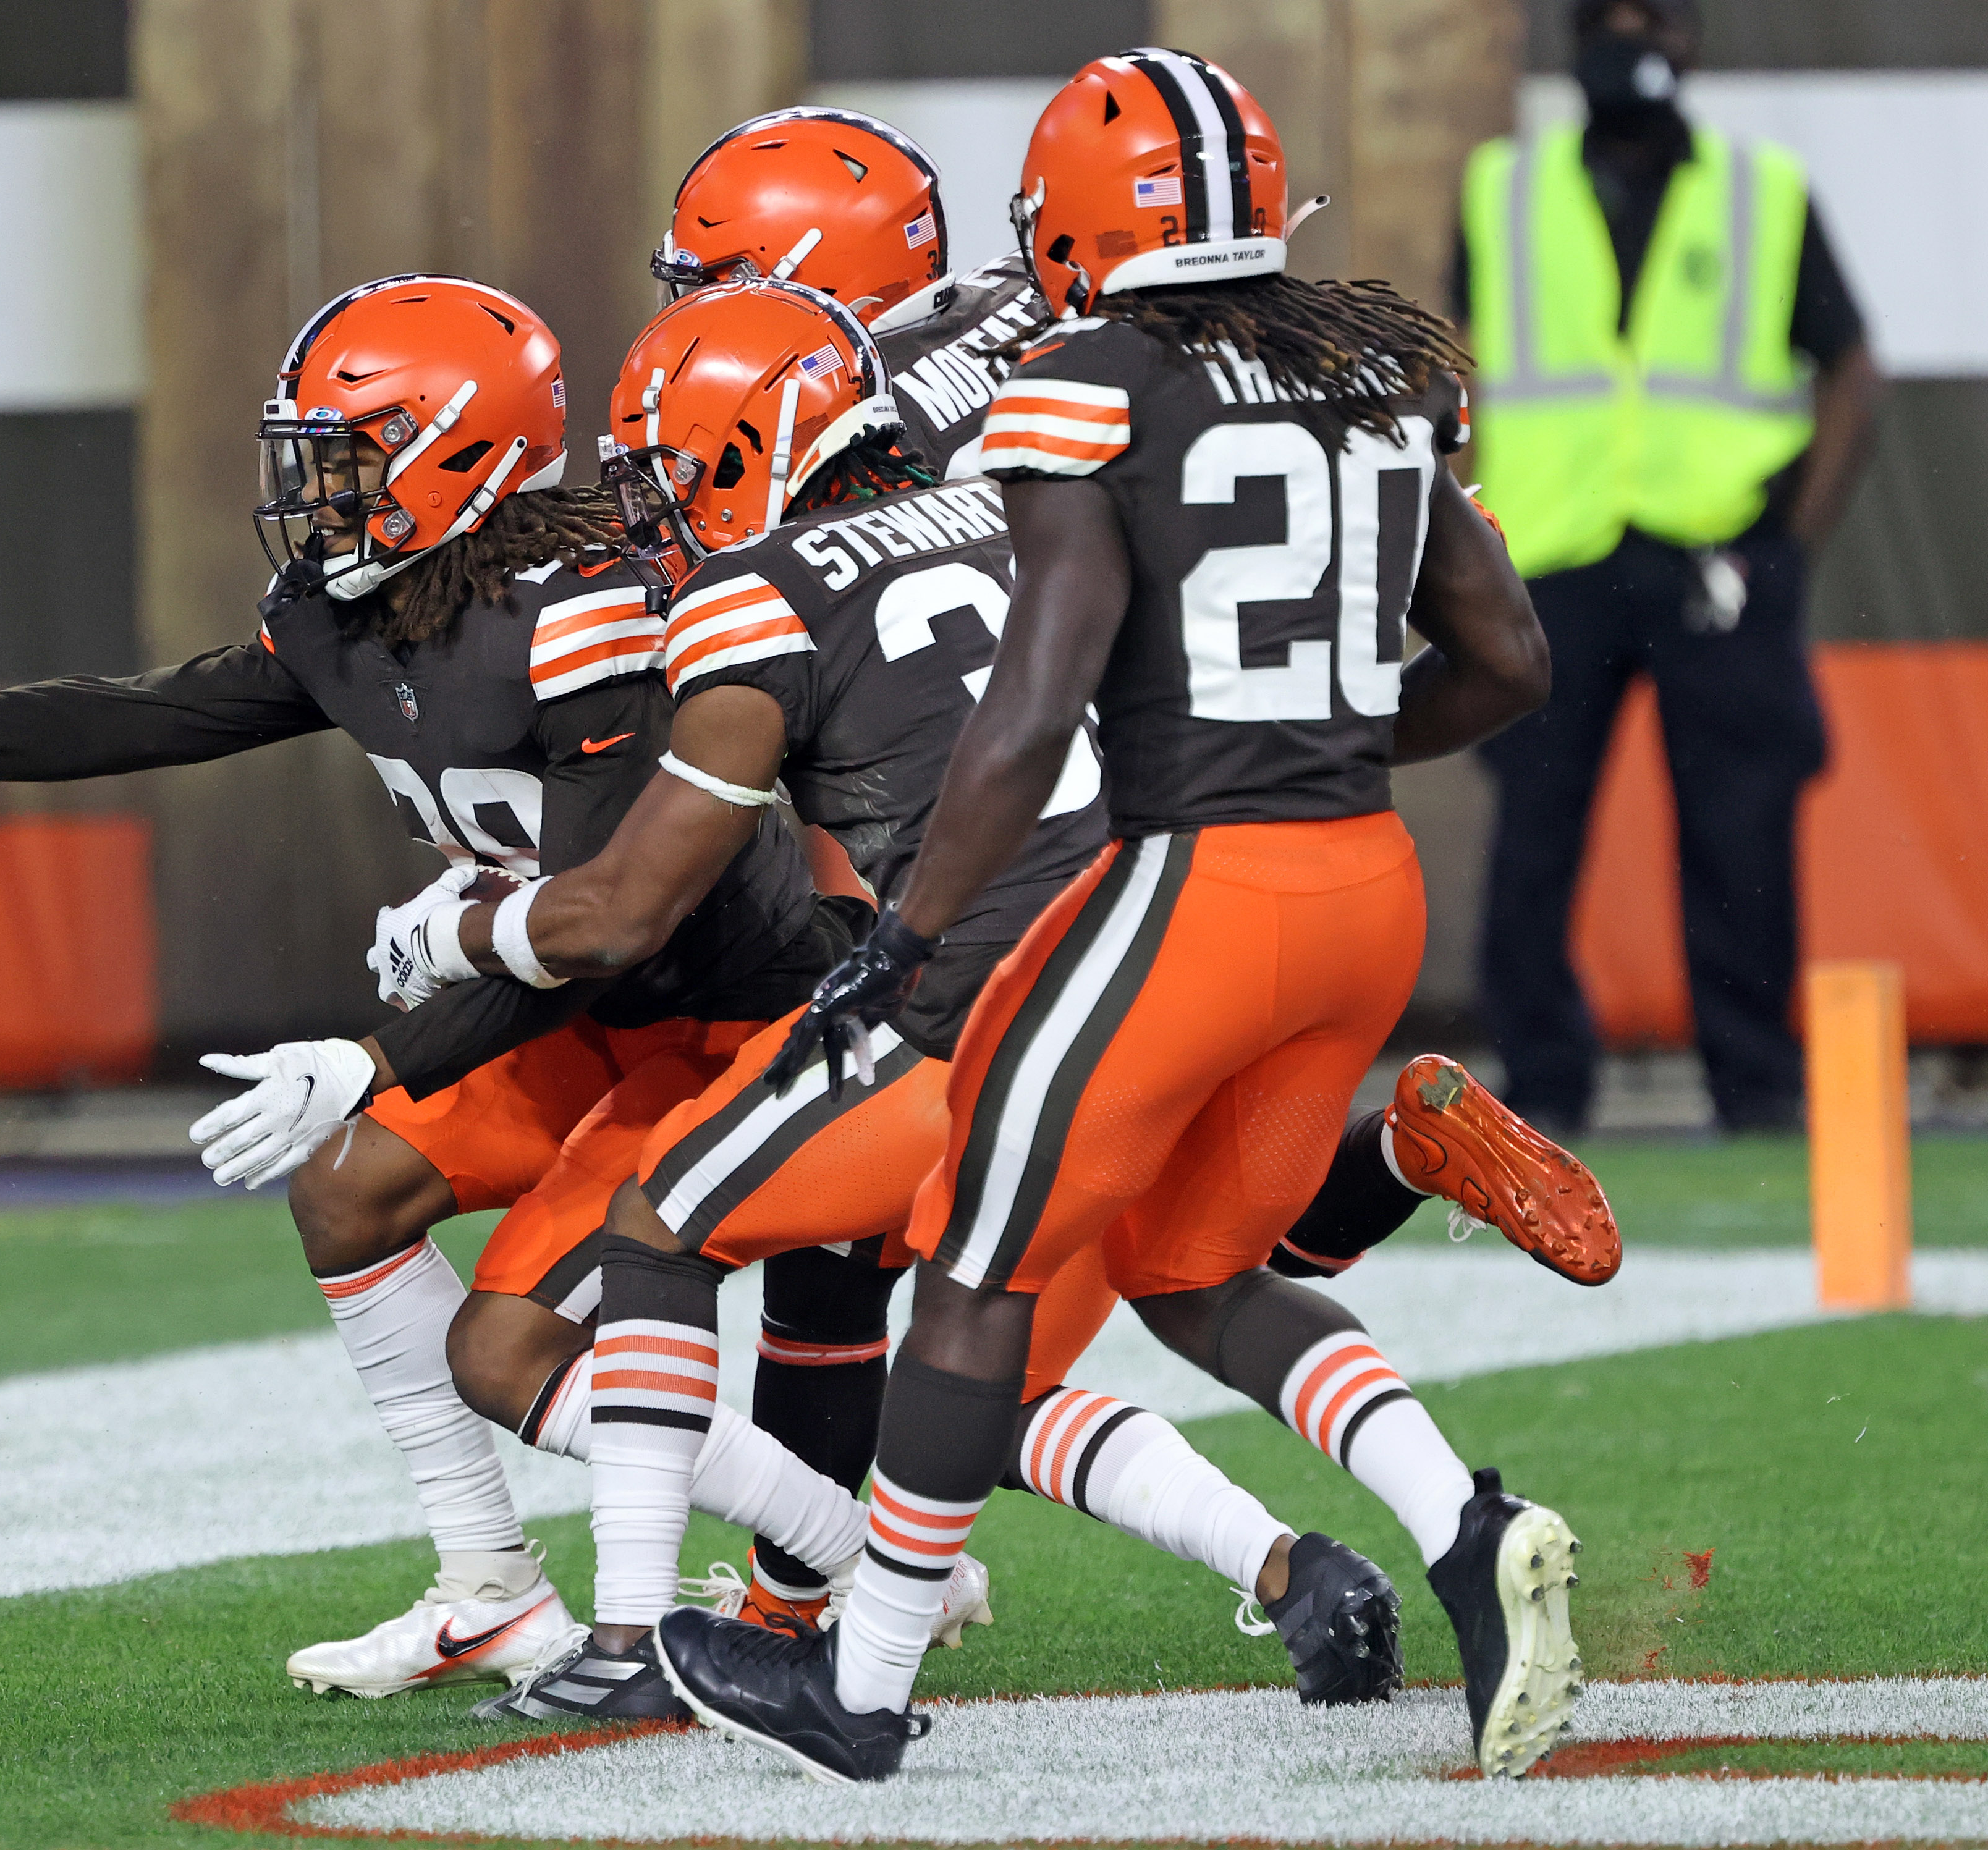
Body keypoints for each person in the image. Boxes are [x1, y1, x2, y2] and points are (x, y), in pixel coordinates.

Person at [0, 274, 902, 1705]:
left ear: (456, 453)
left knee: (505, 1340)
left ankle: (872, 1555)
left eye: (343, 462)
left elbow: (610, 933)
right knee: (347, 1187)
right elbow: (155, 710)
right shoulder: (349, 612)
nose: (315, 497)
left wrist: (378, 1057)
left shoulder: (589, 616)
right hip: (576, 1010)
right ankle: (489, 1589)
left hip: (725, 1023)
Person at [652, 49, 1581, 1785]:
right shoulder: (1368, 366)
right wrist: (1321, 739)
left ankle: (854, 1688)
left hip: (1192, 889)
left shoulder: (1081, 379)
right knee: (1193, 1264)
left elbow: (1025, 712)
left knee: (969, 1273)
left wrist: (912, 933)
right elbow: (1513, 661)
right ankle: (1469, 1528)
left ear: (1084, 224)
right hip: (1366, 885)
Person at [1458, 0, 1879, 1133]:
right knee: (1533, 837)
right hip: (1551, 558)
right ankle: (1542, 1089)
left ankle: (1755, 1086)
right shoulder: (1503, 189)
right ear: (1570, 39)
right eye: (1605, 19)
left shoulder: (1761, 193)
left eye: (1654, 21)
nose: (1628, 40)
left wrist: (1785, 542)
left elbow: (1851, 371)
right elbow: (1454, 374)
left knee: (1739, 829)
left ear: (1693, 43)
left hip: (1717, 557)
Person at [653, 106, 1047, 476]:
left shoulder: (835, 425)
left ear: (802, 277)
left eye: (711, 286)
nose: (692, 309)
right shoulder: (1038, 287)